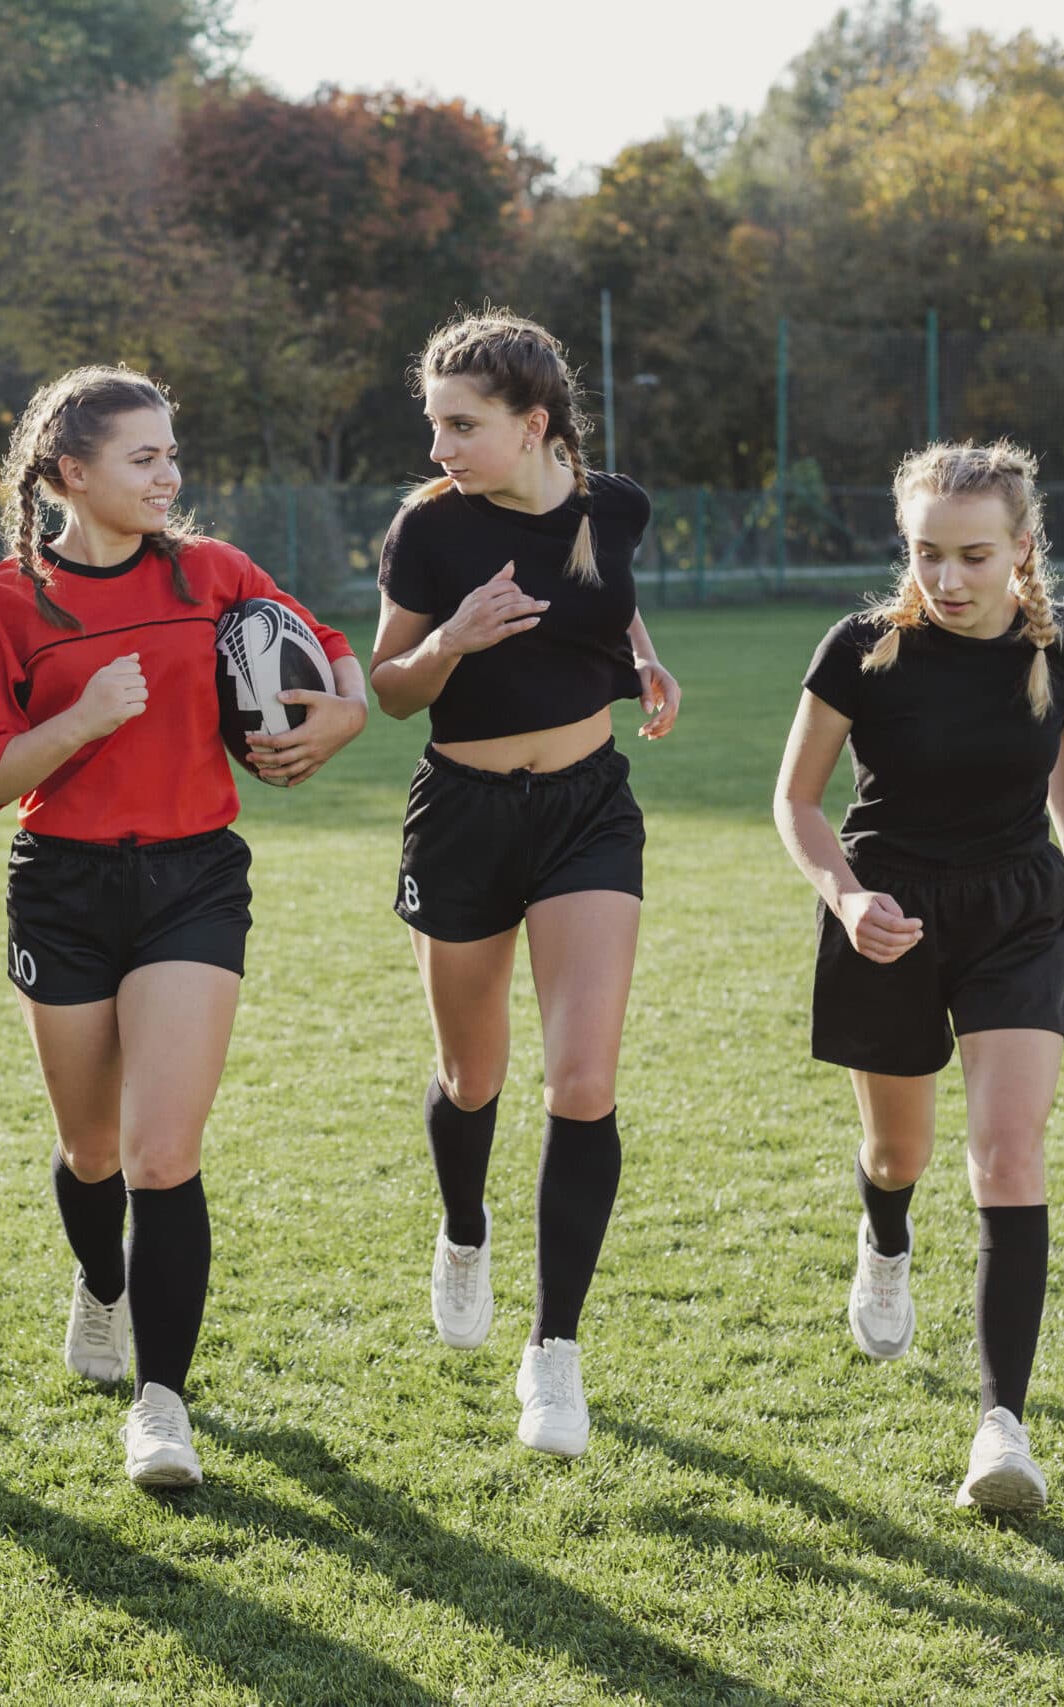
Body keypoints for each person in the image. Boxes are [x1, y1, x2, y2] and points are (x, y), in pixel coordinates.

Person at [0, 365, 368, 1489]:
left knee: (160, 1154)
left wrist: (344, 713)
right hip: (64, 887)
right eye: (144, 458)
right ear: (70, 475)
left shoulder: (214, 572)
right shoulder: (5, 604)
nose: (169, 475)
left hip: (191, 879)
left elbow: (326, 648)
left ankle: (160, 1404)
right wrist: (81, 719)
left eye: (173, 454)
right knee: (91, 1153)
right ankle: (100, 1282)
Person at [772, 438, 1064, 1513]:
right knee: (896, 1150)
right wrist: (846, 900)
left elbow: (1060, 742)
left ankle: (1000, 1429)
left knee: (1008, 1152)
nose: (949, 580)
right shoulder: (861, 650)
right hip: (892, 913)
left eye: (974, 555)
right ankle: (884, 1237)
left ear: (1022, 550)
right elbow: (795, 801)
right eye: (927, 554)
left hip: (1017, 911)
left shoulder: (1063, 644)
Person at [368, 310, 680, 1460]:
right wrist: (454, 637)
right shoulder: (429, 532)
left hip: (588, 810)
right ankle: (463, 1228)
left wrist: (640, 655)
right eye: (435, 423)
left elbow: (608, 586)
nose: (441, 445)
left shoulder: (616, 505)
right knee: (470, 1072)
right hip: (462, 817)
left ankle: (553, 1355)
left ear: (533, 424)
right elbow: (390, 689)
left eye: (464, 425)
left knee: (582, 1081)